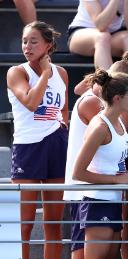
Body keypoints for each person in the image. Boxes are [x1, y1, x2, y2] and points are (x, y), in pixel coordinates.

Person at [6, 21, 68, 259]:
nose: (27, 46)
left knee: (54, 223)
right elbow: (31, 102)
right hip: (27, 148)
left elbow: (63, 110)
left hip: (56, 144)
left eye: (33, 41)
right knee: (23, 224)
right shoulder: (17, 72)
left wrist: (62, 128)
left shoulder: (61, 73)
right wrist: (44, 74)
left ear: (48, 45)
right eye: (24, 41)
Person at [72, 69, 128, 259]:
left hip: (113, 199)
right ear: (117, 98)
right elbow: (79, 173)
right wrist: (116, 181)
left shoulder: (117, 121)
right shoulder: (100, 127)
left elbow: (115, 165)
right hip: (98, 201)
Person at [68, 0, 128, 70]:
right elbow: (101, 25)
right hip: (81, 33)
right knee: (102, 37)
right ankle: (107, 83)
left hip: (113, 34)